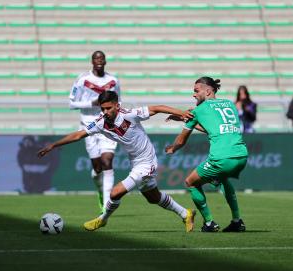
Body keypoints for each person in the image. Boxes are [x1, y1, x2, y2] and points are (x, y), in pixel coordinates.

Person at [38, 91, 196, 232]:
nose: (105, 112)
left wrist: (181, 113)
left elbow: (158, 107)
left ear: (117, 105)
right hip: (135, 163)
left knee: (115, 193)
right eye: (102, 109)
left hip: (148, 162)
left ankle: (103, 219)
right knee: (153, 197)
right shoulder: (101, 122)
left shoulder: (129, 114)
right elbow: (79, 135)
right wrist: (54, 144)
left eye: (108, 108)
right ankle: (185, 213)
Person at [165, 77, 249, 232]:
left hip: (221, 158)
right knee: (223, 179)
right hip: (242, 155)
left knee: (191, 182)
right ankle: (237, 221)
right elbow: (212, 128)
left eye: (196, 91)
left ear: (208, 91)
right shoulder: (230, 104)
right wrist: (188, 119)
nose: (194, 95)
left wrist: (173, 148)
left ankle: (209, 223)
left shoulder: (198, 110)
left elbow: (182, 140)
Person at [69, 51, 121, 212]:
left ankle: (107, 204)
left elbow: (118, 100)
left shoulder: (113, 81)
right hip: (88, 125)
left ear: (105, 61)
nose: (99, 60)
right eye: (96, 58)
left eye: (102, 58)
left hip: (107, 124)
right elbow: (72, 103)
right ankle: (100, 192)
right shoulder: (83, 79)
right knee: (97, 167)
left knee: (107, 162)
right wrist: (92, 103)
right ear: (92, 61)